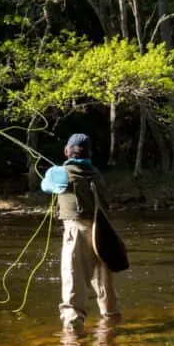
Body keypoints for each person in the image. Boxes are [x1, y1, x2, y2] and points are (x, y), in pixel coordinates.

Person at [56, 133, 120, 328]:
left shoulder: (59, 172)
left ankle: (73, 335)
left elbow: (45, 186)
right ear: (89, 153)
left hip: (77, 231)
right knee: (105, 285)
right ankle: (111, 330)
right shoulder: (96, 173)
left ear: (67, 151)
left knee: (73, 280)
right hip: (103, 231)